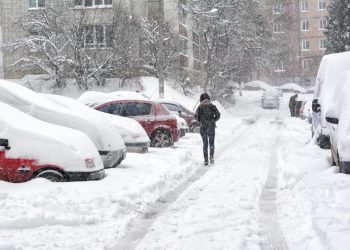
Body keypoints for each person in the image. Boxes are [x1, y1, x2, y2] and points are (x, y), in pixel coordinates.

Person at [195, 93, 221, 165]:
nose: (206, 102)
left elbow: (196, 117)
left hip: (203, 127)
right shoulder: (212, 106)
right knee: (211, 143)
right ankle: (211, 158)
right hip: (211, 127)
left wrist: (200, 120)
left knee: (205, 144)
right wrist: (213, 120)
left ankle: (206, 160)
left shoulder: (200, 107)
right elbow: (218, 115)